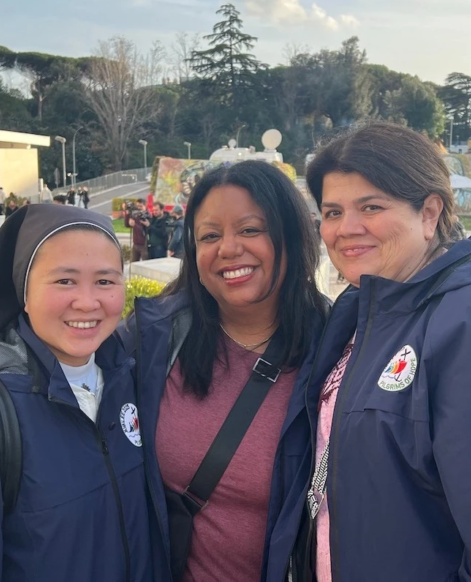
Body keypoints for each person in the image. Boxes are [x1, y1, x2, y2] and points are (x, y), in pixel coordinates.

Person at [303, 121, 471, 580]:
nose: (346, 229)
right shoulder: (362, 307)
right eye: (331, 213)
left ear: (429, 212)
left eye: (371, 206)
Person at [0, 204, 159, 582]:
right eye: (64, 281)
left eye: (105, 281)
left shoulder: (130, 384)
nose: (87, 302)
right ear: (24, 293)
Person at [121, 161, 328, 582]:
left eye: (250, 230)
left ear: (289, 234)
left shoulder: (335, 348)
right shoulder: (155, 336)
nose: (228, 249)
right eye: (210, 236)